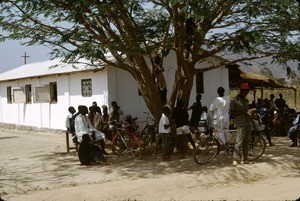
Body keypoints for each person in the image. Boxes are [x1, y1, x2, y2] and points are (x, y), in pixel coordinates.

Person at [230, 83, 252, 166]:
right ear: (242, 91)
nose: (246, 93)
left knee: (246, 142)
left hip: (247, 122)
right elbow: (232, 113)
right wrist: (243, 112)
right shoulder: (235, 100)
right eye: (245, 91)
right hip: (240, 123)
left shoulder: (246, 101)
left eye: (247, 91)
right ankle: (235, 159)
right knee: (238, 142)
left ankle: (244, 159)